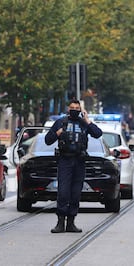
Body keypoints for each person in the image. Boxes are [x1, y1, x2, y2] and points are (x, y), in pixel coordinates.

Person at [45, 99, 102, 233]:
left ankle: (71, 222)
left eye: (78, 108)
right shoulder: (60, 122)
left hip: (79, 161)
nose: (75, 110)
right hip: (65, 160)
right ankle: (60, 222)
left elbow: (98, 134)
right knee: (63, 192)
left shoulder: (84, 123)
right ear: (68, 109)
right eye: (72, 107)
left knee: (76, 193)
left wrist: (87, 119)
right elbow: (48, 140)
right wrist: (57, 133)